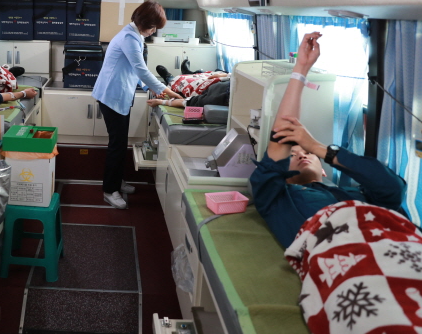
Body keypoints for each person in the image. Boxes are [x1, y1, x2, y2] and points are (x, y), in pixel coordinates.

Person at [249, 32, 406, 247]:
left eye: (307, 153)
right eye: (292, 155)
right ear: (282, 174)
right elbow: (282, 133)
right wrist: (300, 69)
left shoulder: (359, 195)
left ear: (324, 170)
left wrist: (317, 147)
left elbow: (392, 188)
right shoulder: (277, 200)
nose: (302, 155)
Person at [92, 0, 179, 209]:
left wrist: (149, 87)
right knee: (117, 145)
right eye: (153, 27)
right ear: (143, 23)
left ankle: (116, 181)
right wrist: (166, 90)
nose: (154, 31)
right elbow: (140, 69)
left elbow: (133, 69)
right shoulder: (129, 38)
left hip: (119, 95)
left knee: (121, 144)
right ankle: (109, 190)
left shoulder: (134, 35)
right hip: (111, 96)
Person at [148, 66, 230, 109]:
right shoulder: (235, 83)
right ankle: (188, 72)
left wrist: (160, 102)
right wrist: (224, 75)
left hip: (202, 85)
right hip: (217, 80)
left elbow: (185, 102)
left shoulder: (214, 99)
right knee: (216, 72)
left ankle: (168, 77)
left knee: (182, 81)